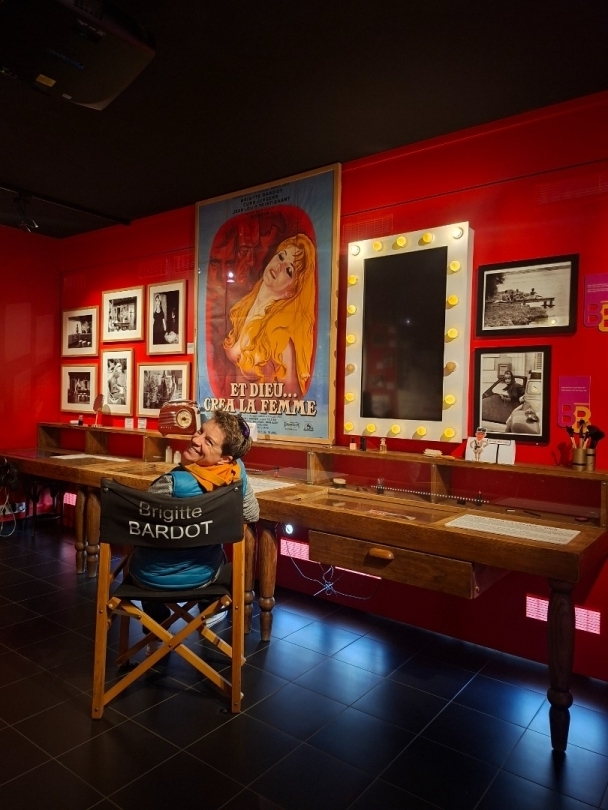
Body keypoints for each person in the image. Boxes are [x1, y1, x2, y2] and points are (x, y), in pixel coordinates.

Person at [128, 410, 259, 653]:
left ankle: (156, 630)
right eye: (200, 431)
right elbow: (251, 514)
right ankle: (210, 608)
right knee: (219, 555)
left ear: (224, 458)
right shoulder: (236, 472)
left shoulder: (170, 483)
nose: (196, 439)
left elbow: (138, 528)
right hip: (205, 577)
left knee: (143, 555)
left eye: (209, 441)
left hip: (151, 579)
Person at [223, 233, 316, 396]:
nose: (279, 266)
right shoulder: (243, 312)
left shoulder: (281, 340)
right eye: (281, 256)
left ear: (291, 291)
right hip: (235, 410)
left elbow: (293, 402)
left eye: (289, 270)